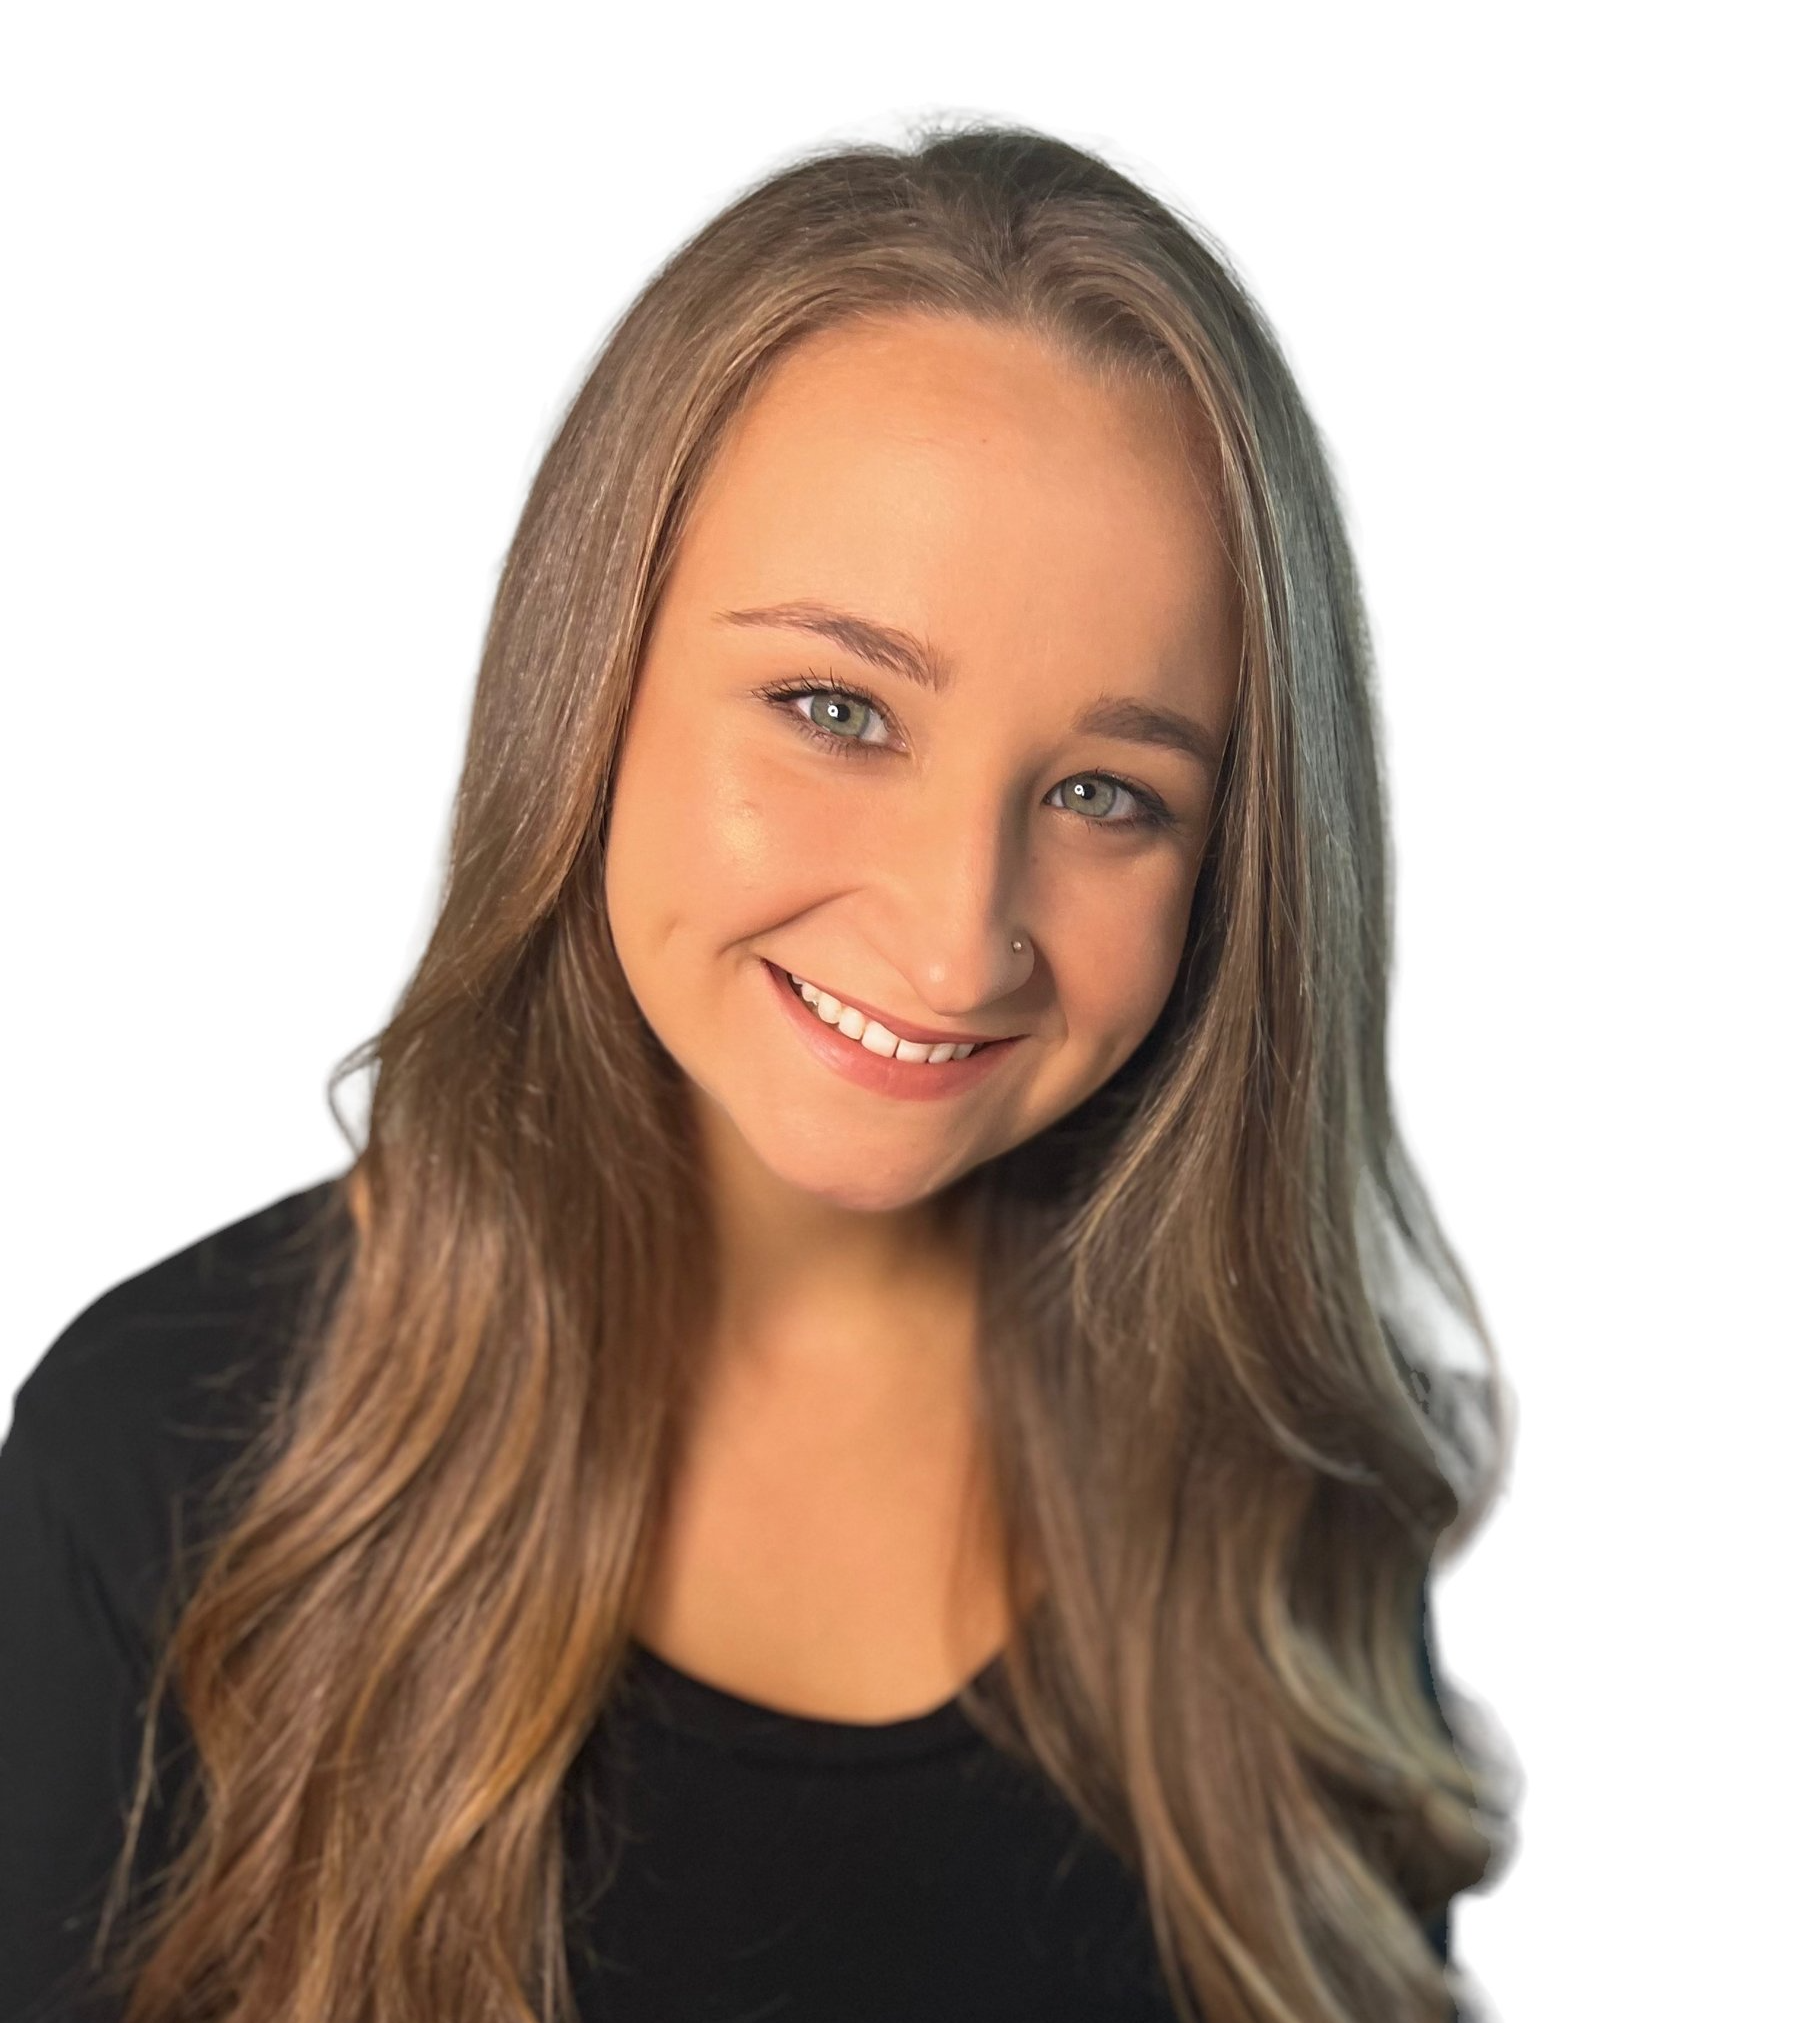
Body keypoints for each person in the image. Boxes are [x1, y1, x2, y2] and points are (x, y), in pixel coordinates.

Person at [0, 121, 1515, 2023]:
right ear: (594, 674)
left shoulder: (1270, 1484)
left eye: (1107, 794)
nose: (957, 942)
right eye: (835, 708)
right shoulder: (169, 1465)